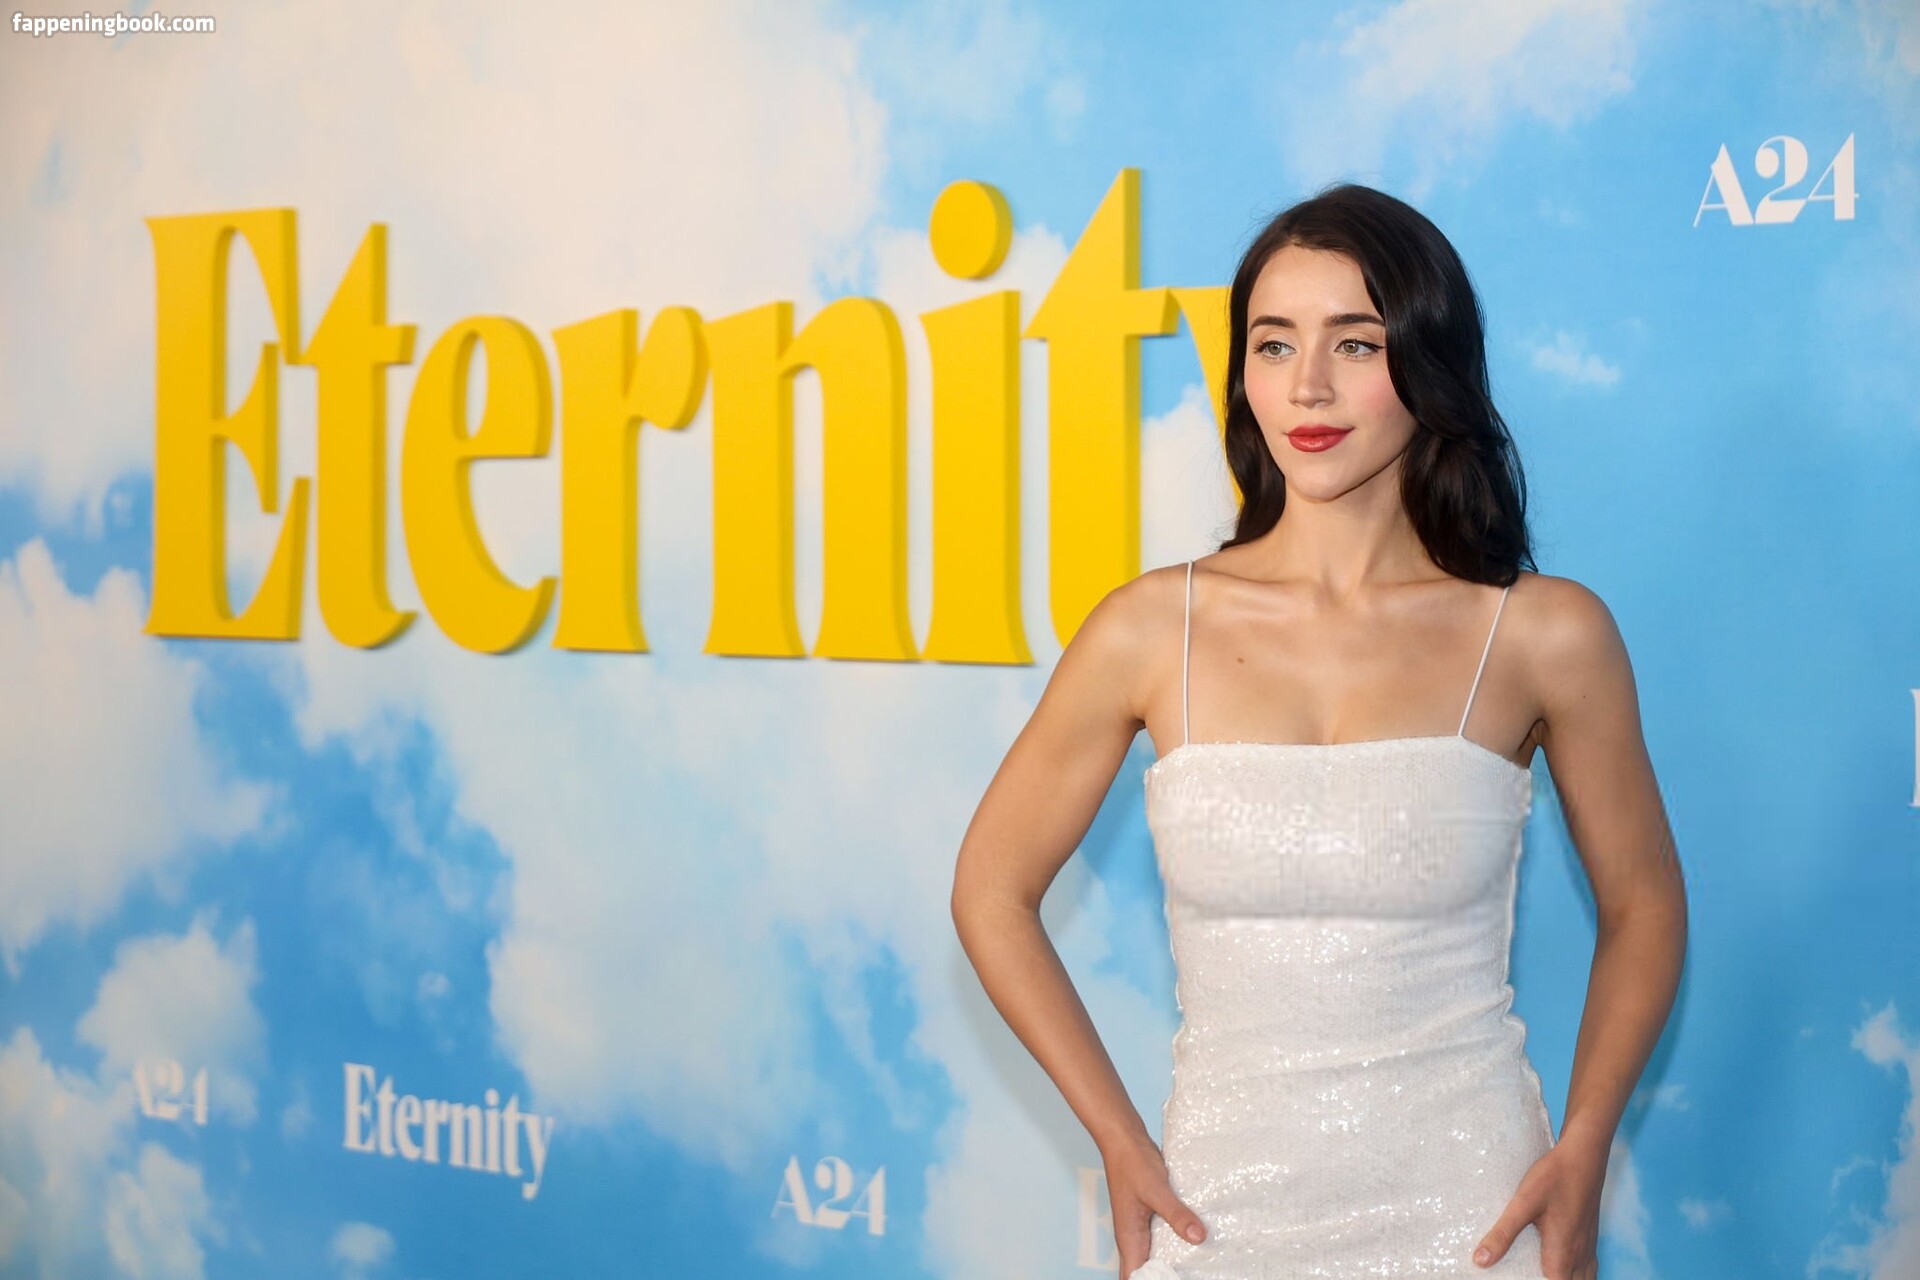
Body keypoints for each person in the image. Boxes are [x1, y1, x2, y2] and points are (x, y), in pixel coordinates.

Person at [949, 183, 1688, 1279]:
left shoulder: (1543, 633)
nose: (1307, 385)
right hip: (1218, 1215)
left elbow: (1644, 903)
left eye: (1355, 342)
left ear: (1429, 362)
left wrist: (1583, 1147)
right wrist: (1118, 1137)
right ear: (1242, 373)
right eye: (1273, 343)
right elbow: (989, 890)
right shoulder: (1151, 628)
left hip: (1474, 1212)